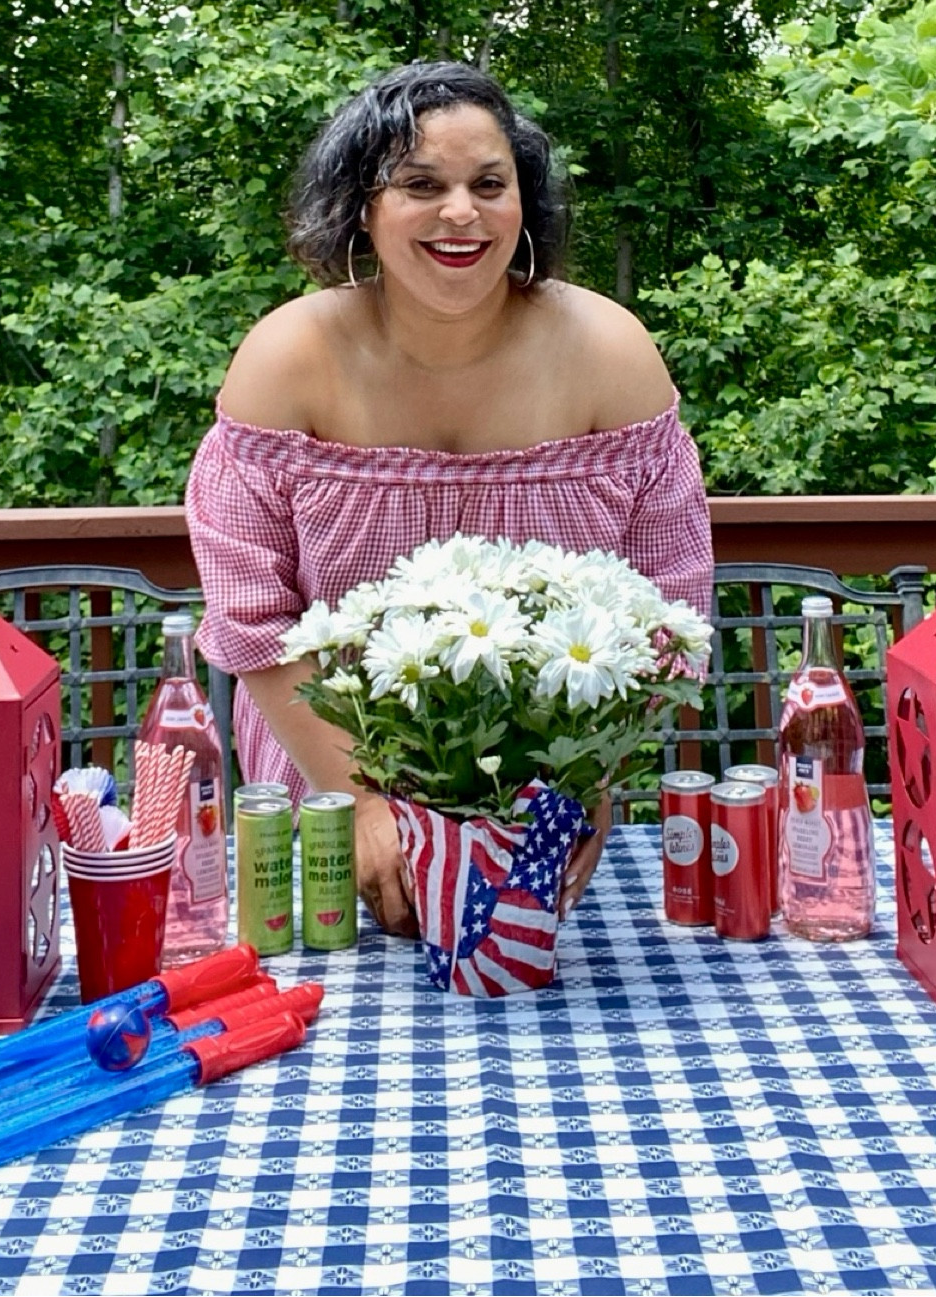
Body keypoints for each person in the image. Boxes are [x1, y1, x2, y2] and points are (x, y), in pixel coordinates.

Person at [186, 61, 714, 935]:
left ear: (525, 204)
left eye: (488, 184)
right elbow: (253, 621)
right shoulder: (284, 360)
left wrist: (592, 778)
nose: (460, 213)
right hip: (324, 800)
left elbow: (674, 606)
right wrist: (358, 803)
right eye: (421, 185)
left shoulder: (613, 353)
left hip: (550, 810)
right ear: (364, 206)